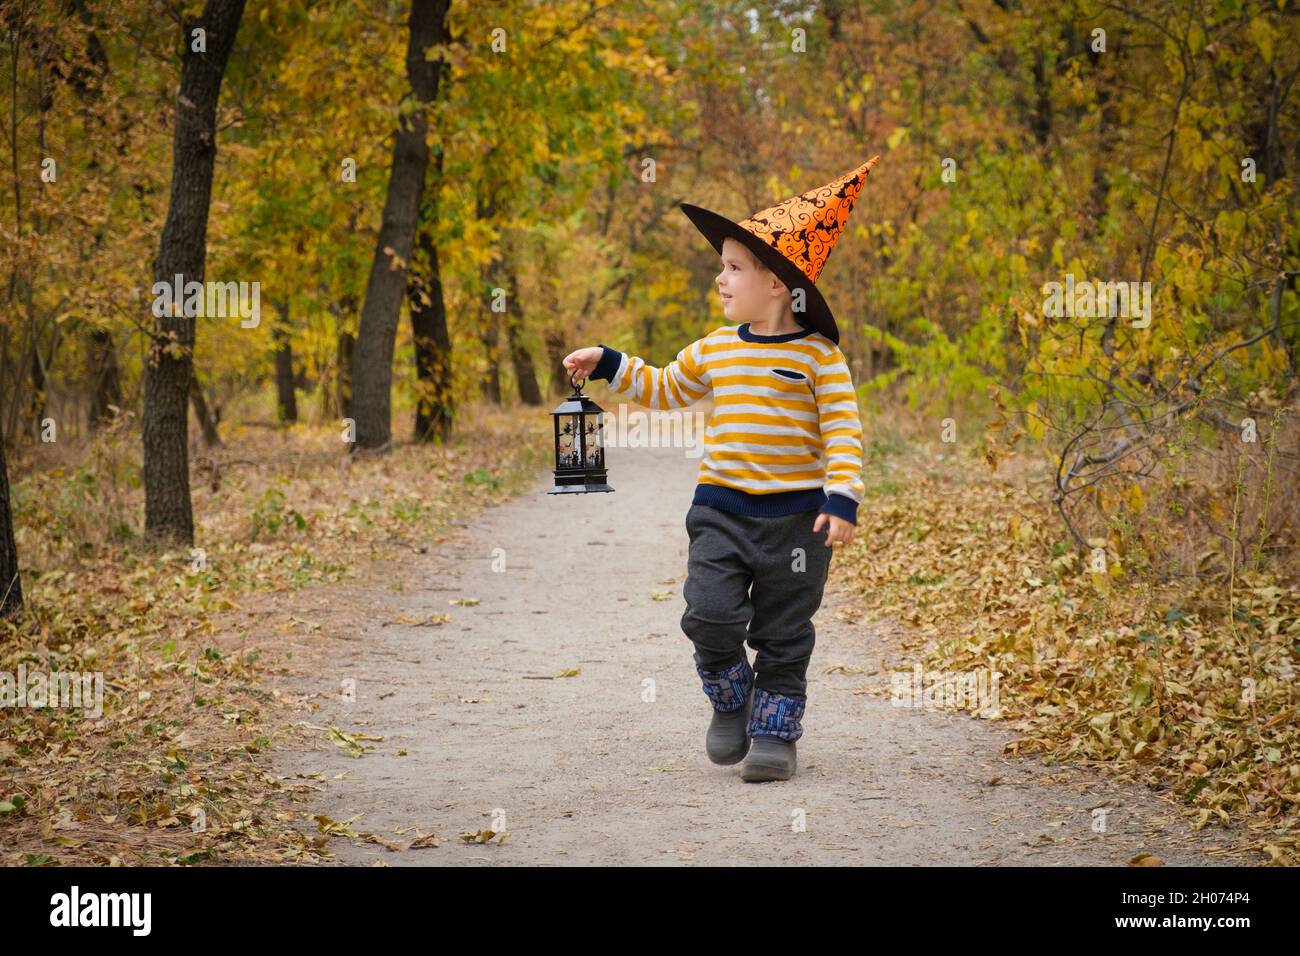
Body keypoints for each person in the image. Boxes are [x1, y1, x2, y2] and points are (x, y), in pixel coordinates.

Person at [563, 157, 878, 782]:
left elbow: (843, 430)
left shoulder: (820, 358)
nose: (721, 278)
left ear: (779, 284)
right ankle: (732, 700)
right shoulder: (715, 347)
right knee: (708, 614)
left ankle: (774, 733)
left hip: (797, 522)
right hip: (722, 510)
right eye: (723, 265)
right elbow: (662, 386)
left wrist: (842, 497)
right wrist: (609, 362)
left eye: (734, 267)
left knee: (785, 633)